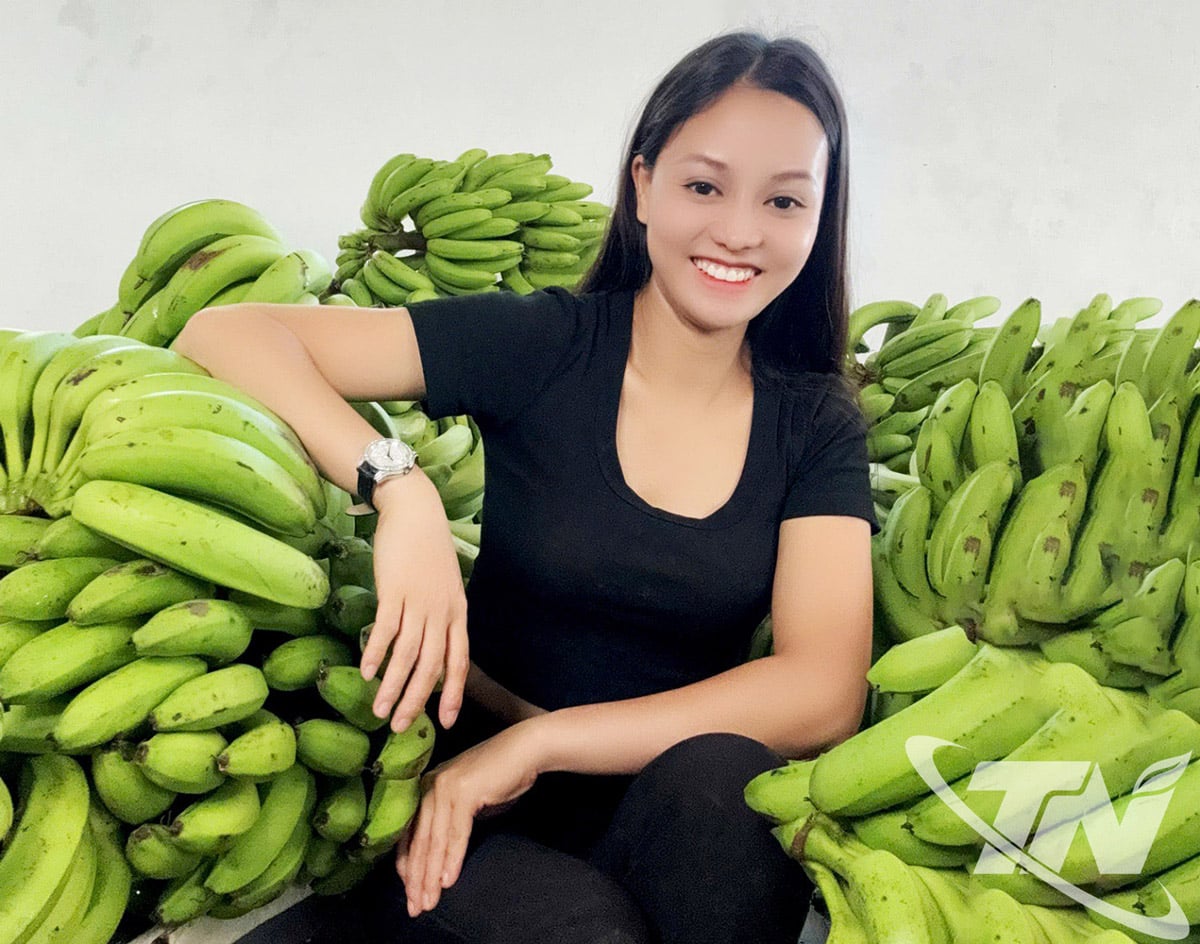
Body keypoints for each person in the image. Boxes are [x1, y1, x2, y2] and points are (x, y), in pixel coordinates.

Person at [172, 28, 877, 944]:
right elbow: (225, 333)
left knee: (727, 790)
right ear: (643, 187)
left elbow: (823, 689)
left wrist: (544, 741)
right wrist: (400, 489)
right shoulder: (545, 346)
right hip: (469, 798)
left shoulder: (813, 423)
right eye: (705, 186)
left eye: (783, 200)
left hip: (652, 802)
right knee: (583, 931)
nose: (740, 232)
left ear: (819, 218)